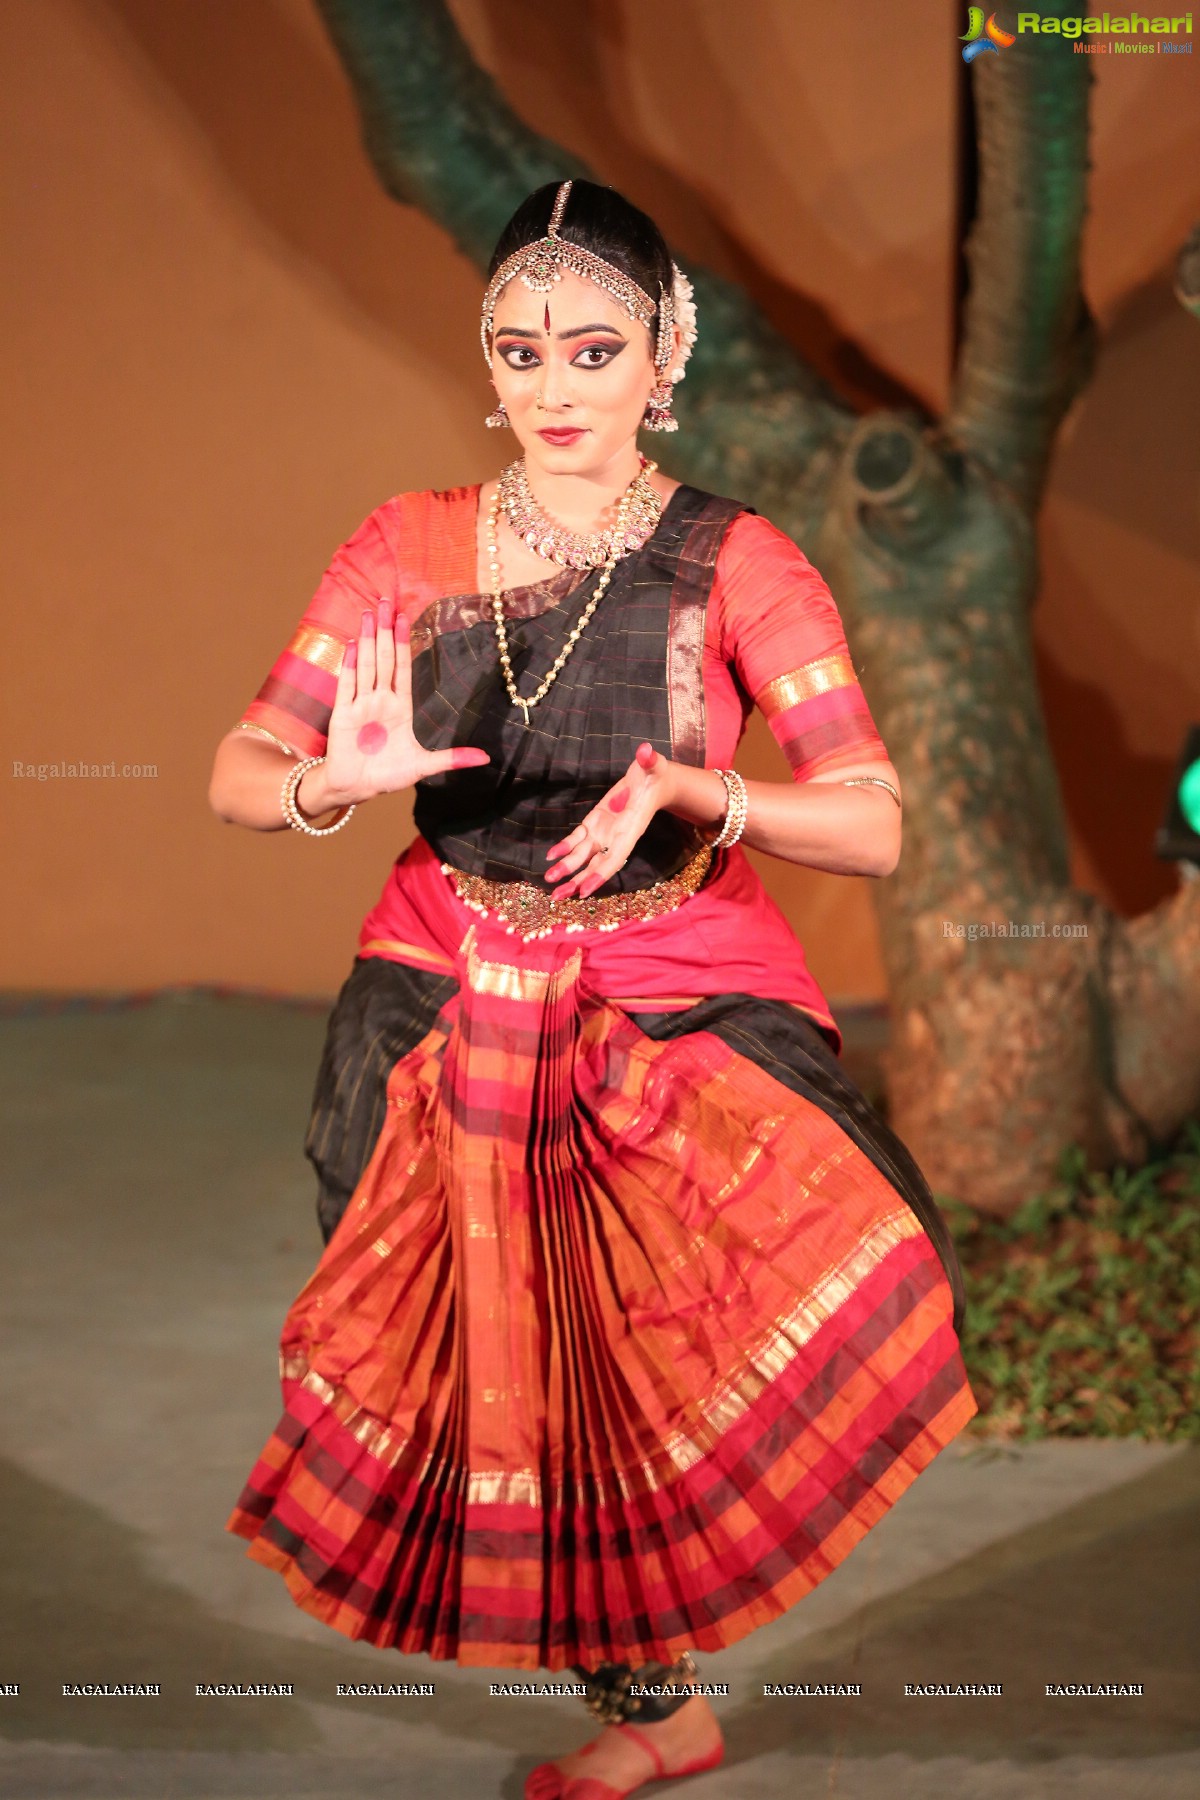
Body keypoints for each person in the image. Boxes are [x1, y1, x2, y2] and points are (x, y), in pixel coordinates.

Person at [210, 178, 977, 1800]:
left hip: (671, 967)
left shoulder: (738, 565)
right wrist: (322, 785)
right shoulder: (402, 547)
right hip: (445, 959)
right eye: (521, 352)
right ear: (487, 363)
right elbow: (240, 768)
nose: (555, 390)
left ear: (663, 352)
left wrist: (715, 797)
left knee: (674, 1319)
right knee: (473, 1318)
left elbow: (881, 823)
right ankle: (657, 1707)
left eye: (593, 349)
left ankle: (662, 1685)